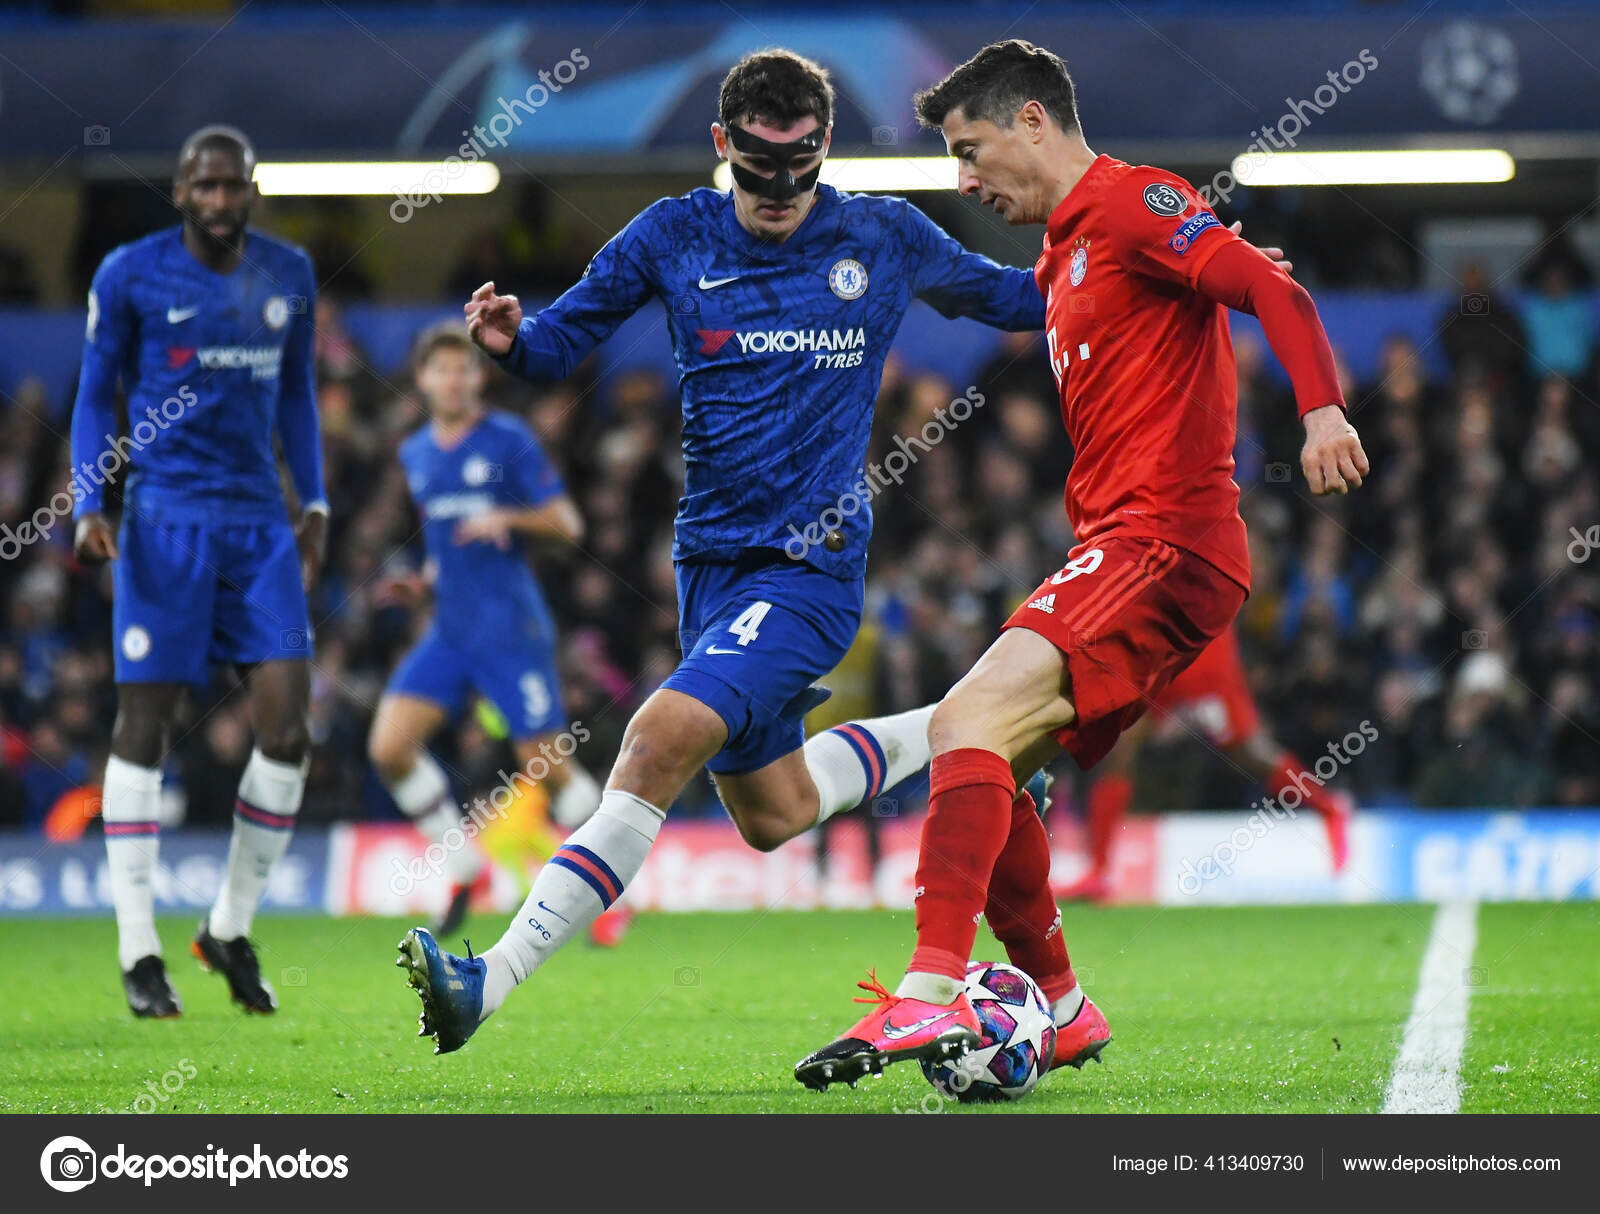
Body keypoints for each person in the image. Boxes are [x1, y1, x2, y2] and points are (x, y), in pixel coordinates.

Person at [395, 48, 1049, 1055]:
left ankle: (487, 978)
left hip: (809, 569)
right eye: (757, 168)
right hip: (707, 567)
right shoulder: (674, 233)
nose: (779, 191)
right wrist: (512, 340)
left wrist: (1153, 257)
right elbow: (564, 338)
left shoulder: (880, 233)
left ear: (823, 148)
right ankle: (982, 730)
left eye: (798, 168)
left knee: (653, 740)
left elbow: (1021, 298)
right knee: (773, 809)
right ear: (722, 145)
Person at [797, 39, 1368, 1090]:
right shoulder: (1060, 256)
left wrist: (1322, 408)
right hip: (1117, 544)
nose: (967, 179)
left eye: (971, 150)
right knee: (994, 760)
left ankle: (926, 997)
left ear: (1031, 120)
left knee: (966, 720)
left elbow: (1269, 293)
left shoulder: (1133, 202)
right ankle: (1060, 1004)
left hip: (1164, 538)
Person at [71, 125, 326, 1018]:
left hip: (258, 527)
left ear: (251, 191)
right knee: (148, 721)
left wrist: (317, 501)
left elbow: (295, 393)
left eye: (235, 187)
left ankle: (226, 927)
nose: (222, 201)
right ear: (180, 191)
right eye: (206, 187)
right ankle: (139, 949)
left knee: (289, 730)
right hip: (164, 521)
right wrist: (87, 501)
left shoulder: (289, 273)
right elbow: (95, 388)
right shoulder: (130, 273)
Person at [368, 323, 608, 939]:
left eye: (465, 369)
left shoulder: (508, 439)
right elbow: (446, 540)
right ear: (423, 380)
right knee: (389, 748)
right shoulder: (416, 452)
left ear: (479, 378)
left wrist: (508, 514)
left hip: (510, 625)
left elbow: (569, 522)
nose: (454, 380)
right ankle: (462, 867)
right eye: (442, 370)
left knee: (543, 763)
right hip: (449, 627)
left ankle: (611, 891)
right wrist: (421, 581)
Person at [1061, 625, 1353, 905]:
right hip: (1160, 643)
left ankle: (1329, 808)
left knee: (1247, 751)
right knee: (1120, 745)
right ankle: (1099, 872)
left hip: (1200, 643)